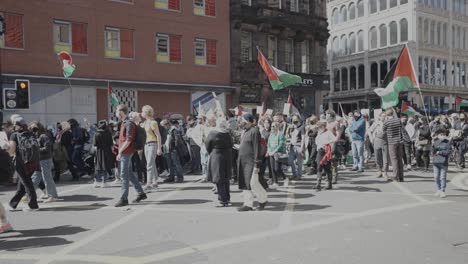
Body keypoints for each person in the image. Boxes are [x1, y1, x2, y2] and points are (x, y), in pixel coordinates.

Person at [114, 105, 147, 207]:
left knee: (124, 175)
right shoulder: (125, 123)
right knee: (129, 173)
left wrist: (120, 152)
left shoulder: (128, 123)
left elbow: (128, 140)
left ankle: (124, 199)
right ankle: (141, 193)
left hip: (126, 152)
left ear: (121, 112)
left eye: (116, 111)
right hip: (126, 151)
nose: (115, 112)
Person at [7, 115, 40, 212]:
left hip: (21, 162)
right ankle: (12, 204)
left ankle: (33, 205)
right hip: (33, 162)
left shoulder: (15, 134)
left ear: (15, 124)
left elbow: (11, 151)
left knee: (27, 184)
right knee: (22, 184)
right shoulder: (31, 133)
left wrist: (6, 147)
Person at [237, 113, 268, 212]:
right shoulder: (245, 131)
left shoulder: (255, 131)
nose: (242, 123)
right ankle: (248, 204)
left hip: (251, 162)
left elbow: (256, 148)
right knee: (245, 184)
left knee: (253, 183)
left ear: (249, 122)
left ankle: (263, 200)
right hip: (243, 161)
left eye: (244, 121)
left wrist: (256, 164)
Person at [30, 121, 59, 203]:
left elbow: (48, 147)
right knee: (35, 177)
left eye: (35, 127)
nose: (33, 129)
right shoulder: (37, 135)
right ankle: (29, 194)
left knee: (47, 178)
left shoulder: (43, 135)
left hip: (45, 159)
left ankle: (52, 196)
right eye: (32, 128)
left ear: (39, 127)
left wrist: (37, 150)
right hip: (40, 159)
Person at [206, 118, 233, 207]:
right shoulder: (227, 133)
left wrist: (212, 152)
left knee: (219, 178)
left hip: (216, 156)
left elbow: (208, 145)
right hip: (227, 156)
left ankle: (222, 200)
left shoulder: (213, 133)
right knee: (225, 178)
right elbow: (231, 144)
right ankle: (227, 198)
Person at [142, 105, 163, 190]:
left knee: (149, 164)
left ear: (146, 112)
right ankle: (155, 181)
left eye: (143, 111)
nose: (142, 113)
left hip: (153, 144)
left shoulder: (153, 122)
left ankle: (149, 183)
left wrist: (159, 148)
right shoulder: (145, 122)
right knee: (151, 163)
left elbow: (158, 135)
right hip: (146, 144)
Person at [383, 109, 404, 182]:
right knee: (399, 159)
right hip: (400, 141)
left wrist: (385, 120)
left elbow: (383, 130)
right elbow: (401, 128)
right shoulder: (398, 120)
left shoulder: (386, 122)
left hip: (392, 142)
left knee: (394, 160)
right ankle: (401, 177)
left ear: (387, 115)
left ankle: (395, 176)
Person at [315, 121, 337, 191]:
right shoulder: (319, 133)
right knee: (319, 166)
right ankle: (318, 184)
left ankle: (329, 184)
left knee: (327, 168)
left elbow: (335, 139)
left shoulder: (328, 132)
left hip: (326, 151)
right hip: (320, 151)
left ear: (323, 127)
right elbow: (317, 141)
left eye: (319, 127)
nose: (318, 129)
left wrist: (327, 142)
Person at [432, 128, 451, 198]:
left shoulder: (447, 142)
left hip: (443, 163)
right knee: (436, 177)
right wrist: (432, 145)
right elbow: (433, 152)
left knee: (443, 177)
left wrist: (440, 152)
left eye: (444, 134)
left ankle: (443, 191)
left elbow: (448, 152)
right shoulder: (435, 141)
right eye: (441, 134)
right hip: (436, 162)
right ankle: (438, 189)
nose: (442, 136)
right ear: (438, 135)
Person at [93, 120, 114, 188]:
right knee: (105, 166)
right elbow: (111, 143)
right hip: (107, 151)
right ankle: (104, 182)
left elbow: (95, 144)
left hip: (99, 151)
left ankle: (96, 182)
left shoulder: (96, 134)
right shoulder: (108, 133)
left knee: (98, 166)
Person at [369, 112, 389, 179]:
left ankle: (385, 172)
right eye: (382, 116)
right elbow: (369, 130)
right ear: (380, 117)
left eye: (385, 116)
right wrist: (371, 139)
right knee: (377, 157)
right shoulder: (376, 123)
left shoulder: (387, 123)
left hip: (385, 141)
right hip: (377, 140)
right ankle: (379, 171)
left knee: (385, 158)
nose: (384, 117)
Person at [165, 118, 185, 183]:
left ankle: (180, 177)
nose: (164, 126)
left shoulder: (173, 130)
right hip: (168, 149)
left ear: (169, 124)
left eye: (165, 124)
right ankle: (171, 177)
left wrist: (175, 148)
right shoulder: (168, 130)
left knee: (176, 163)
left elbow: (177, 140)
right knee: (170, 164)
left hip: (173, 149)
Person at [267, 121, 286, 188]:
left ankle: (285, 178)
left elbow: (281, 144)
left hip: (278, 153)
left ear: (277, 127)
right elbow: (268, 144)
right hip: (271, 153)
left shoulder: (281, 134)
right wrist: (269, 151)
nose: (272, 127)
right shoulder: (271, 134)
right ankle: (275, 182)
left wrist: (274, 151)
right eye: (271, 126)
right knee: (272, 169)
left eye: (273, 126)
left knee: (277, 168)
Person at [288, 114, 306, 179]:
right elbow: (290, 136)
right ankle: (294, 173)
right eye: (293, 120)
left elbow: (303, 138)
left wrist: (302, 148)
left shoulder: (302, 127)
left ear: (299, 119)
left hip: (298, 146)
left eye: (295, 120)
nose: (294, 121)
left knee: (299, 162)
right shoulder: (292, 127)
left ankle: (299, 175)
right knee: (290, 160)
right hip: (292, 146)